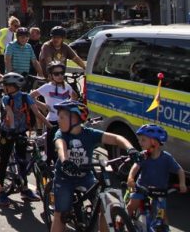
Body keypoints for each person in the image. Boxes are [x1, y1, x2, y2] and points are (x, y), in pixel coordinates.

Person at [50, 100, 139, 232]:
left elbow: (116, 138)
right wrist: (65, 161)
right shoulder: (61, 134)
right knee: (60, 215)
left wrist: (131, 149)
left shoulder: (90, 134)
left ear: (75, 118)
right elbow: (60, 146)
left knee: (105, 206)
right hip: (64, 179)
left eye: (61, 117)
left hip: (85, 176)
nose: (58, 120)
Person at [0, 72, 51, 206]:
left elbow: (37, 113)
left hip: (21, 132)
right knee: (4, 159)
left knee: (22, 161)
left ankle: (24, 189)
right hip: (8, 132)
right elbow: (9, 113)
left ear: (14, 86)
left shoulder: (26, 97)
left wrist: (50, 126)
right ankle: (0, 190)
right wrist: (12, 128)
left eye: (6, 85)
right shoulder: (6, 98)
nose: (4, 88)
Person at [125, 124, 187, 220]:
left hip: (159, 191)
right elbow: (135, 167)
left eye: (143, 140)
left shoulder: (166, 158)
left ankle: (164, 228)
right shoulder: (143, 155)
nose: (139, 142)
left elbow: (180, 170)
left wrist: (182, 183)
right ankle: (121, 222)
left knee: (162, 216)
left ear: (155, 143)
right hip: (142, 188)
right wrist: (130, 178)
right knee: (131, 205)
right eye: (139, 139)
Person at [31, 61, 77, 162]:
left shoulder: (66, 86)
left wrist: (69, 105)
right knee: (50, 151)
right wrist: (42, 105)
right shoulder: (47, 87)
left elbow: (74, 95)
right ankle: (46, 173)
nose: (60, 76)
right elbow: (30, 97)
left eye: (62, 73)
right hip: (52, 122)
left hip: (65, 121)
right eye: (56, 74)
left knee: (66, 147)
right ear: (51, 75)